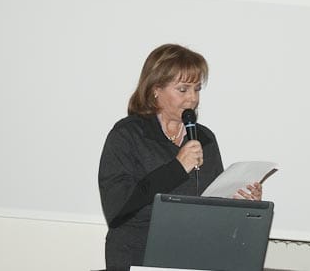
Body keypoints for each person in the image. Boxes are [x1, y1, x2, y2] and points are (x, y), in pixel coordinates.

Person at [98, 43, 263, 271]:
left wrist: (241, 205)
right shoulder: (128, 135)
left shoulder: (205, 138)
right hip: (137, 255)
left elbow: (211, 206)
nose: (192, 99)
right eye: (183, 90)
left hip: (192, 255)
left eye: (197, 89)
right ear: (155, 89)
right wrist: (177, 168)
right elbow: (118, 209)